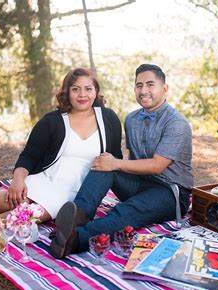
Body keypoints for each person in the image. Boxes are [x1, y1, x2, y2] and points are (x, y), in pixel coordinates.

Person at [0, 68, 122, 236]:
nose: (82, 94)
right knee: (15, 197)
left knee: (35, 213)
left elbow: (115, 159)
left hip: (80, 188)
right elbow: (29, 155)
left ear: (96, 92)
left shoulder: (108, 119)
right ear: (67, 92)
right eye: (75, 89)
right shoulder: (52, 121)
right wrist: (18, 180)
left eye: (88, 89)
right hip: (49, 177)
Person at [50, 64, 193, 259]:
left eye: (150, 85)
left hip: (170, 192)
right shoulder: (132, 119)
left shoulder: (177, 123)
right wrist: (111, 164)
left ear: (164, 89)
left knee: (125, 210)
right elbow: (132, 162)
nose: (143, 91)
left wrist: (116, 163)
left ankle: (74, 239)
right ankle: (76, 220)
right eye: (139, 85)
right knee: (103, 164)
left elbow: (157, 165)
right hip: (141, 182)